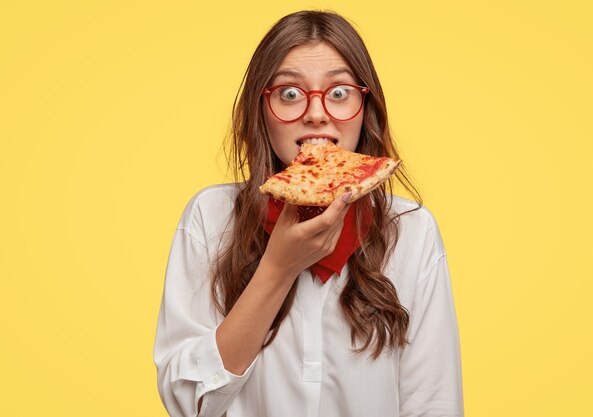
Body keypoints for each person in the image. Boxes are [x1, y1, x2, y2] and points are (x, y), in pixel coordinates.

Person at [153, 10, 464, 417]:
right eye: (290, 93)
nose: (316, 113)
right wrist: (278, 268)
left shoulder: (413, 231)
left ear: (364, 104)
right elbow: (188, 402)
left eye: (338, 93)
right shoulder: (210, 218)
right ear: (261, 109)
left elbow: (434, 405)